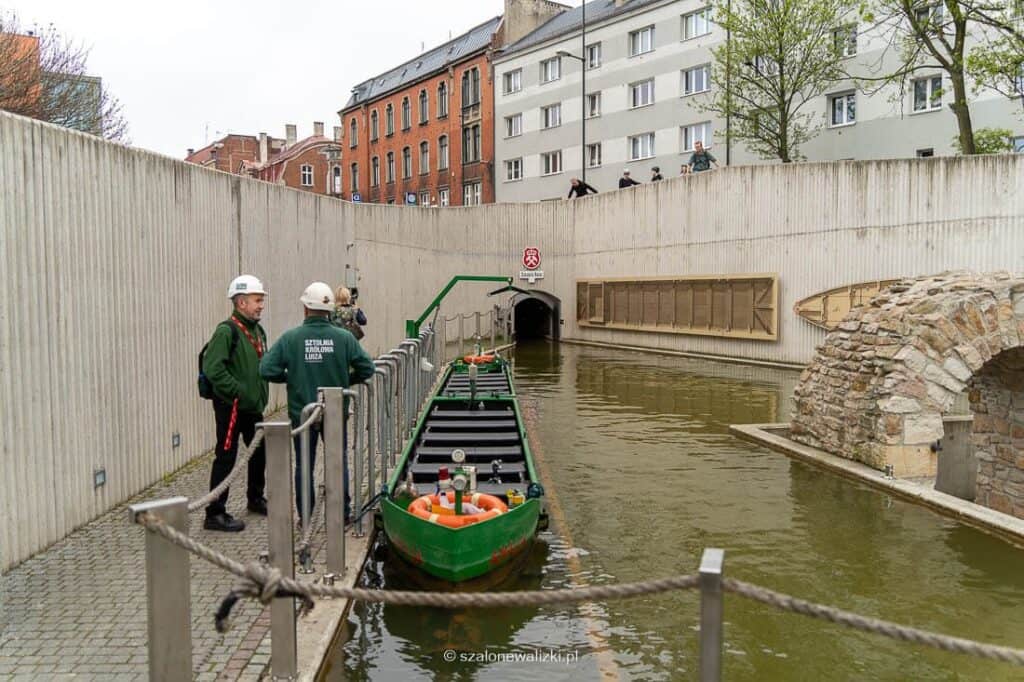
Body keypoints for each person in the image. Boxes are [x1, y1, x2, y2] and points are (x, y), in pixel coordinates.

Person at [260, 282, 375, 524]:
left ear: (305, 308)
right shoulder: (344, 338)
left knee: (304, 465)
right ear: (330, 309)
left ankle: (306, 517)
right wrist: (346, 380)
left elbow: (266, 369)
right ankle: (341, 514)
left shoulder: (291, 338)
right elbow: (367, 368)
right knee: (337, 462)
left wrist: (290, 377)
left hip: (302, 413)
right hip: (335, 410)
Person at [202, 275, 270, 532]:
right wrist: (237, 391)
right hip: (231, 407)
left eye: (261, 300)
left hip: (252, 406)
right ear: (241, 302)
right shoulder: (226, 331)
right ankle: (214, 513)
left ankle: (255, 497)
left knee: (259, 451)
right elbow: (213, 368)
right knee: (226, 457)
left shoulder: (258, 331)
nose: (261, 305)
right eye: (257, 300)